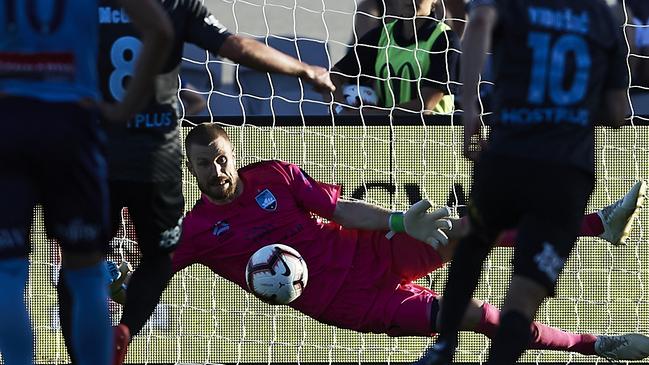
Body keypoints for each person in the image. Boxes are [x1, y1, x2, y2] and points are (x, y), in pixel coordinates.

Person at [113, 123, 649, 362]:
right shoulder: (199, 231)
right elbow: (150, 283)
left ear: (235, 154)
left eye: (222, 158)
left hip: (369, 251)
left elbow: (339, 209)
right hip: (355, 303)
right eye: (204, 164)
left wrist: (397, 222)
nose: (217, 170)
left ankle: (599, 225)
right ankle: (597, 346)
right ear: (191, 169)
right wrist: (121, 302)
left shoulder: (273, 175)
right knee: (482, 317)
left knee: (467, 229)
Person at [55, 1, 335, 365]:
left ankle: (80, 355)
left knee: (79, 260)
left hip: (98, 154)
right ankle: (123, 334)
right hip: (155, 157)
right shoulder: (172, 4)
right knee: (157, 259)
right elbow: (237, 47)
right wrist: (304, 69)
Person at [415, 0, 634, 364]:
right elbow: (617, 113)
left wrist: (470, 107)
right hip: (566, 173)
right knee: (524, 294)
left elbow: (479, 18)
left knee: (474, 242)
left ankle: (444, 347)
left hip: (509, 158)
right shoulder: (603, 16)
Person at [0, 1, 173, 365]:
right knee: (84, 268)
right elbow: (160, 29)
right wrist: (124, 109)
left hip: (9, 121)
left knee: (9, 270)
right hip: (71, 124)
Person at [332, 0, 460, 115]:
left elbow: (424, 106)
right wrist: (341, 109)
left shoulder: (445, 39)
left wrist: (367, 116)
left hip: (436, 135)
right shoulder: (382, 36)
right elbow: (333, 76)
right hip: (389, 134)